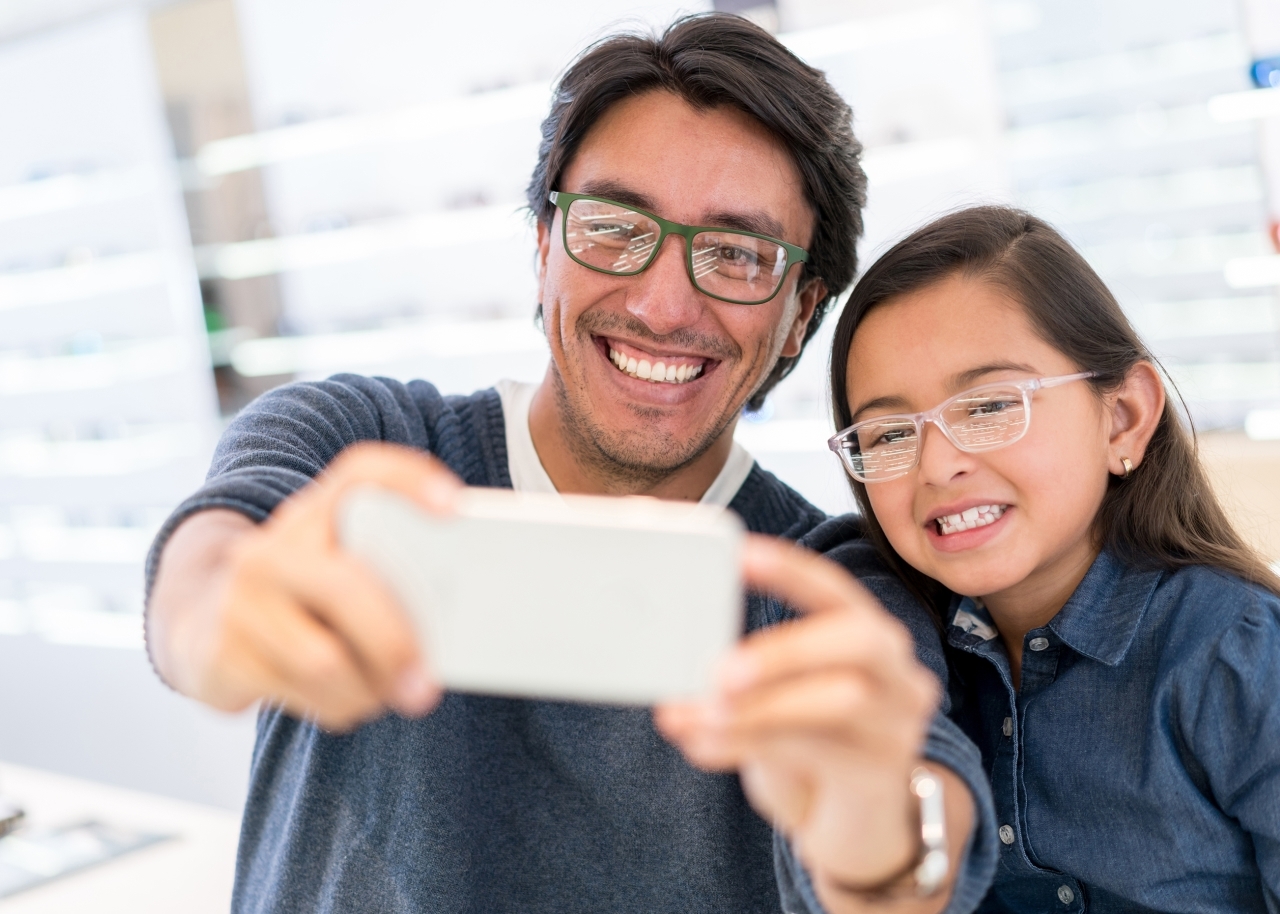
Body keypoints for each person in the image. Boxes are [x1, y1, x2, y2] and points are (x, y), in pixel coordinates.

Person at [146, 15, 997, 914]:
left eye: (738, 254)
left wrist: (883, 844)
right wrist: (217, 621)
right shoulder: (361, 446)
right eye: (613, 226)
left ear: (798, 313)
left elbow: (921, 827)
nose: (664, 304)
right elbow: (204, 568)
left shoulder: (828, 587)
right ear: (544, 245)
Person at [826, 204, 1280, 911]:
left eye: (987, 406)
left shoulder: (1239, 656)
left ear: (1123, 417)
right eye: (887, 435)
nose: (938, 465)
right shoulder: (907, 653)